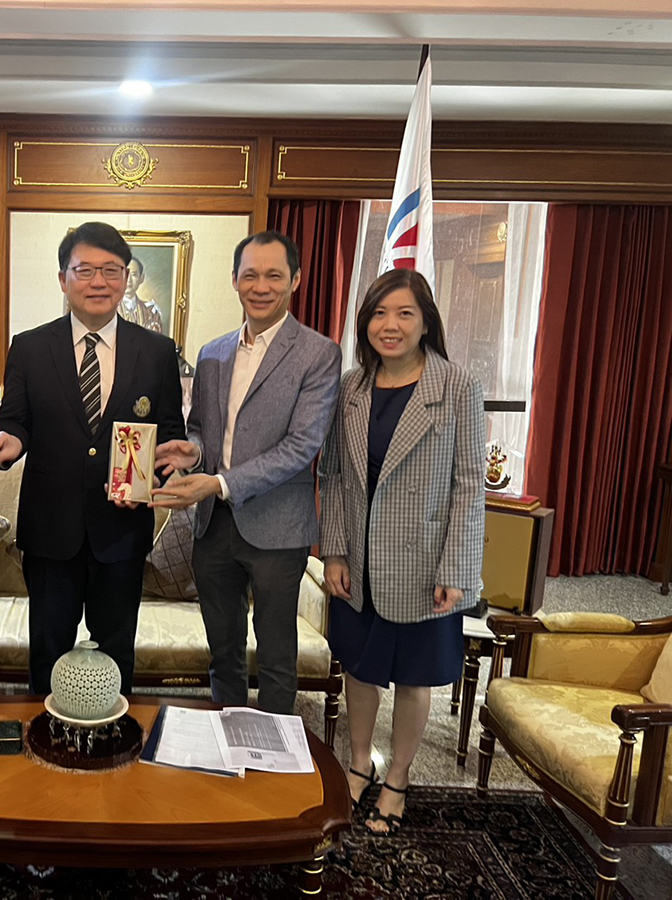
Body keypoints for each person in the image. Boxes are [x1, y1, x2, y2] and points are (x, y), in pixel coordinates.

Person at [0, 222, 185, 695]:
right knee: (47, 655)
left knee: (116, 656)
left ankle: (113, 736)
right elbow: (15, 422)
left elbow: (169, 433)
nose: (99, 282)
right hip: (50, 534)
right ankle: (46, 737)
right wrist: (9, 441)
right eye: (85, 270)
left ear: (127, 278)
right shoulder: (30, 347)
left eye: (111, 270)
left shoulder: (157, 352)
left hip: (122, 533)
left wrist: (163, 471)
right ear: (63, 278)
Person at [318, 268, 485, 834]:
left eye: (404, 313)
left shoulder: (457, 386)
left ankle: (398, 777)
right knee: (359, 669)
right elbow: (333, 475)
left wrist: (457, 568)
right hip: (359, 560)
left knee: (414, 677)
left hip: (425, 562)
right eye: (378, 314)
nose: (389, 325)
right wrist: (334, 552)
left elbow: (470, 485)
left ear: (426, 322)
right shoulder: (351, 387)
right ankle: (359, 763)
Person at [152, 230, 341, 715]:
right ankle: (226, 732)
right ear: (234, 279)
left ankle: (273, 752)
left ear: (295, 280)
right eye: (250, 275)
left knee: (276, 658)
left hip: (279, 529)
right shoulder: (213, 353)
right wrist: (193, 453)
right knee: (222, 652)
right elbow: (201, 430)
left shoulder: (319, 354)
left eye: (274, 275)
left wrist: (219, 483)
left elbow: (302, 446)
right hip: (213, 527)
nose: (261, 286)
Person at [118, 256, 164, 334]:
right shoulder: (109, 310)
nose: (129, 280)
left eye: (134, 274)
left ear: (141, 278)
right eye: (125, 274)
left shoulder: (151, 312)